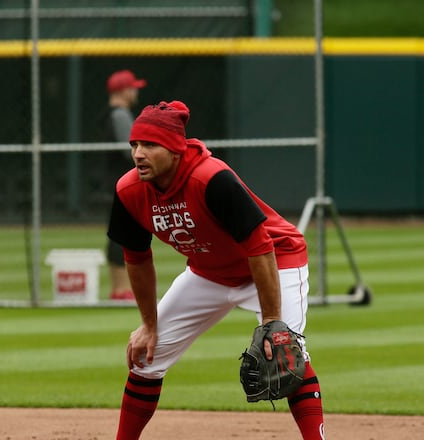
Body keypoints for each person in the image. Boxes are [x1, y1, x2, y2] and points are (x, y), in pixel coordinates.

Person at [107, 100, 325, 440]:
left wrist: (271, 322)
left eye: (149, 145)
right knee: (145, 358)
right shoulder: (129, 191)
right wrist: (149, 325)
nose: (138, 153)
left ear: (176, 150)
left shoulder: (211, 179)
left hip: (275, 260)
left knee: (285, 353)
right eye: (134, 144)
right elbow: (137, 258)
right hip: (208, 271)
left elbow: (259, 246)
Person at [101, 69, 147, 301]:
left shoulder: (113, 113)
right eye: (133, 88)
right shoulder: (119, 114)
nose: (135, 92)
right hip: (121, 182)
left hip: (115, 180)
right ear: (123, 90)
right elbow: (128, 150)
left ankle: (119, 288)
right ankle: (120, 289)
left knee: (119, 233)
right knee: (122, 234)